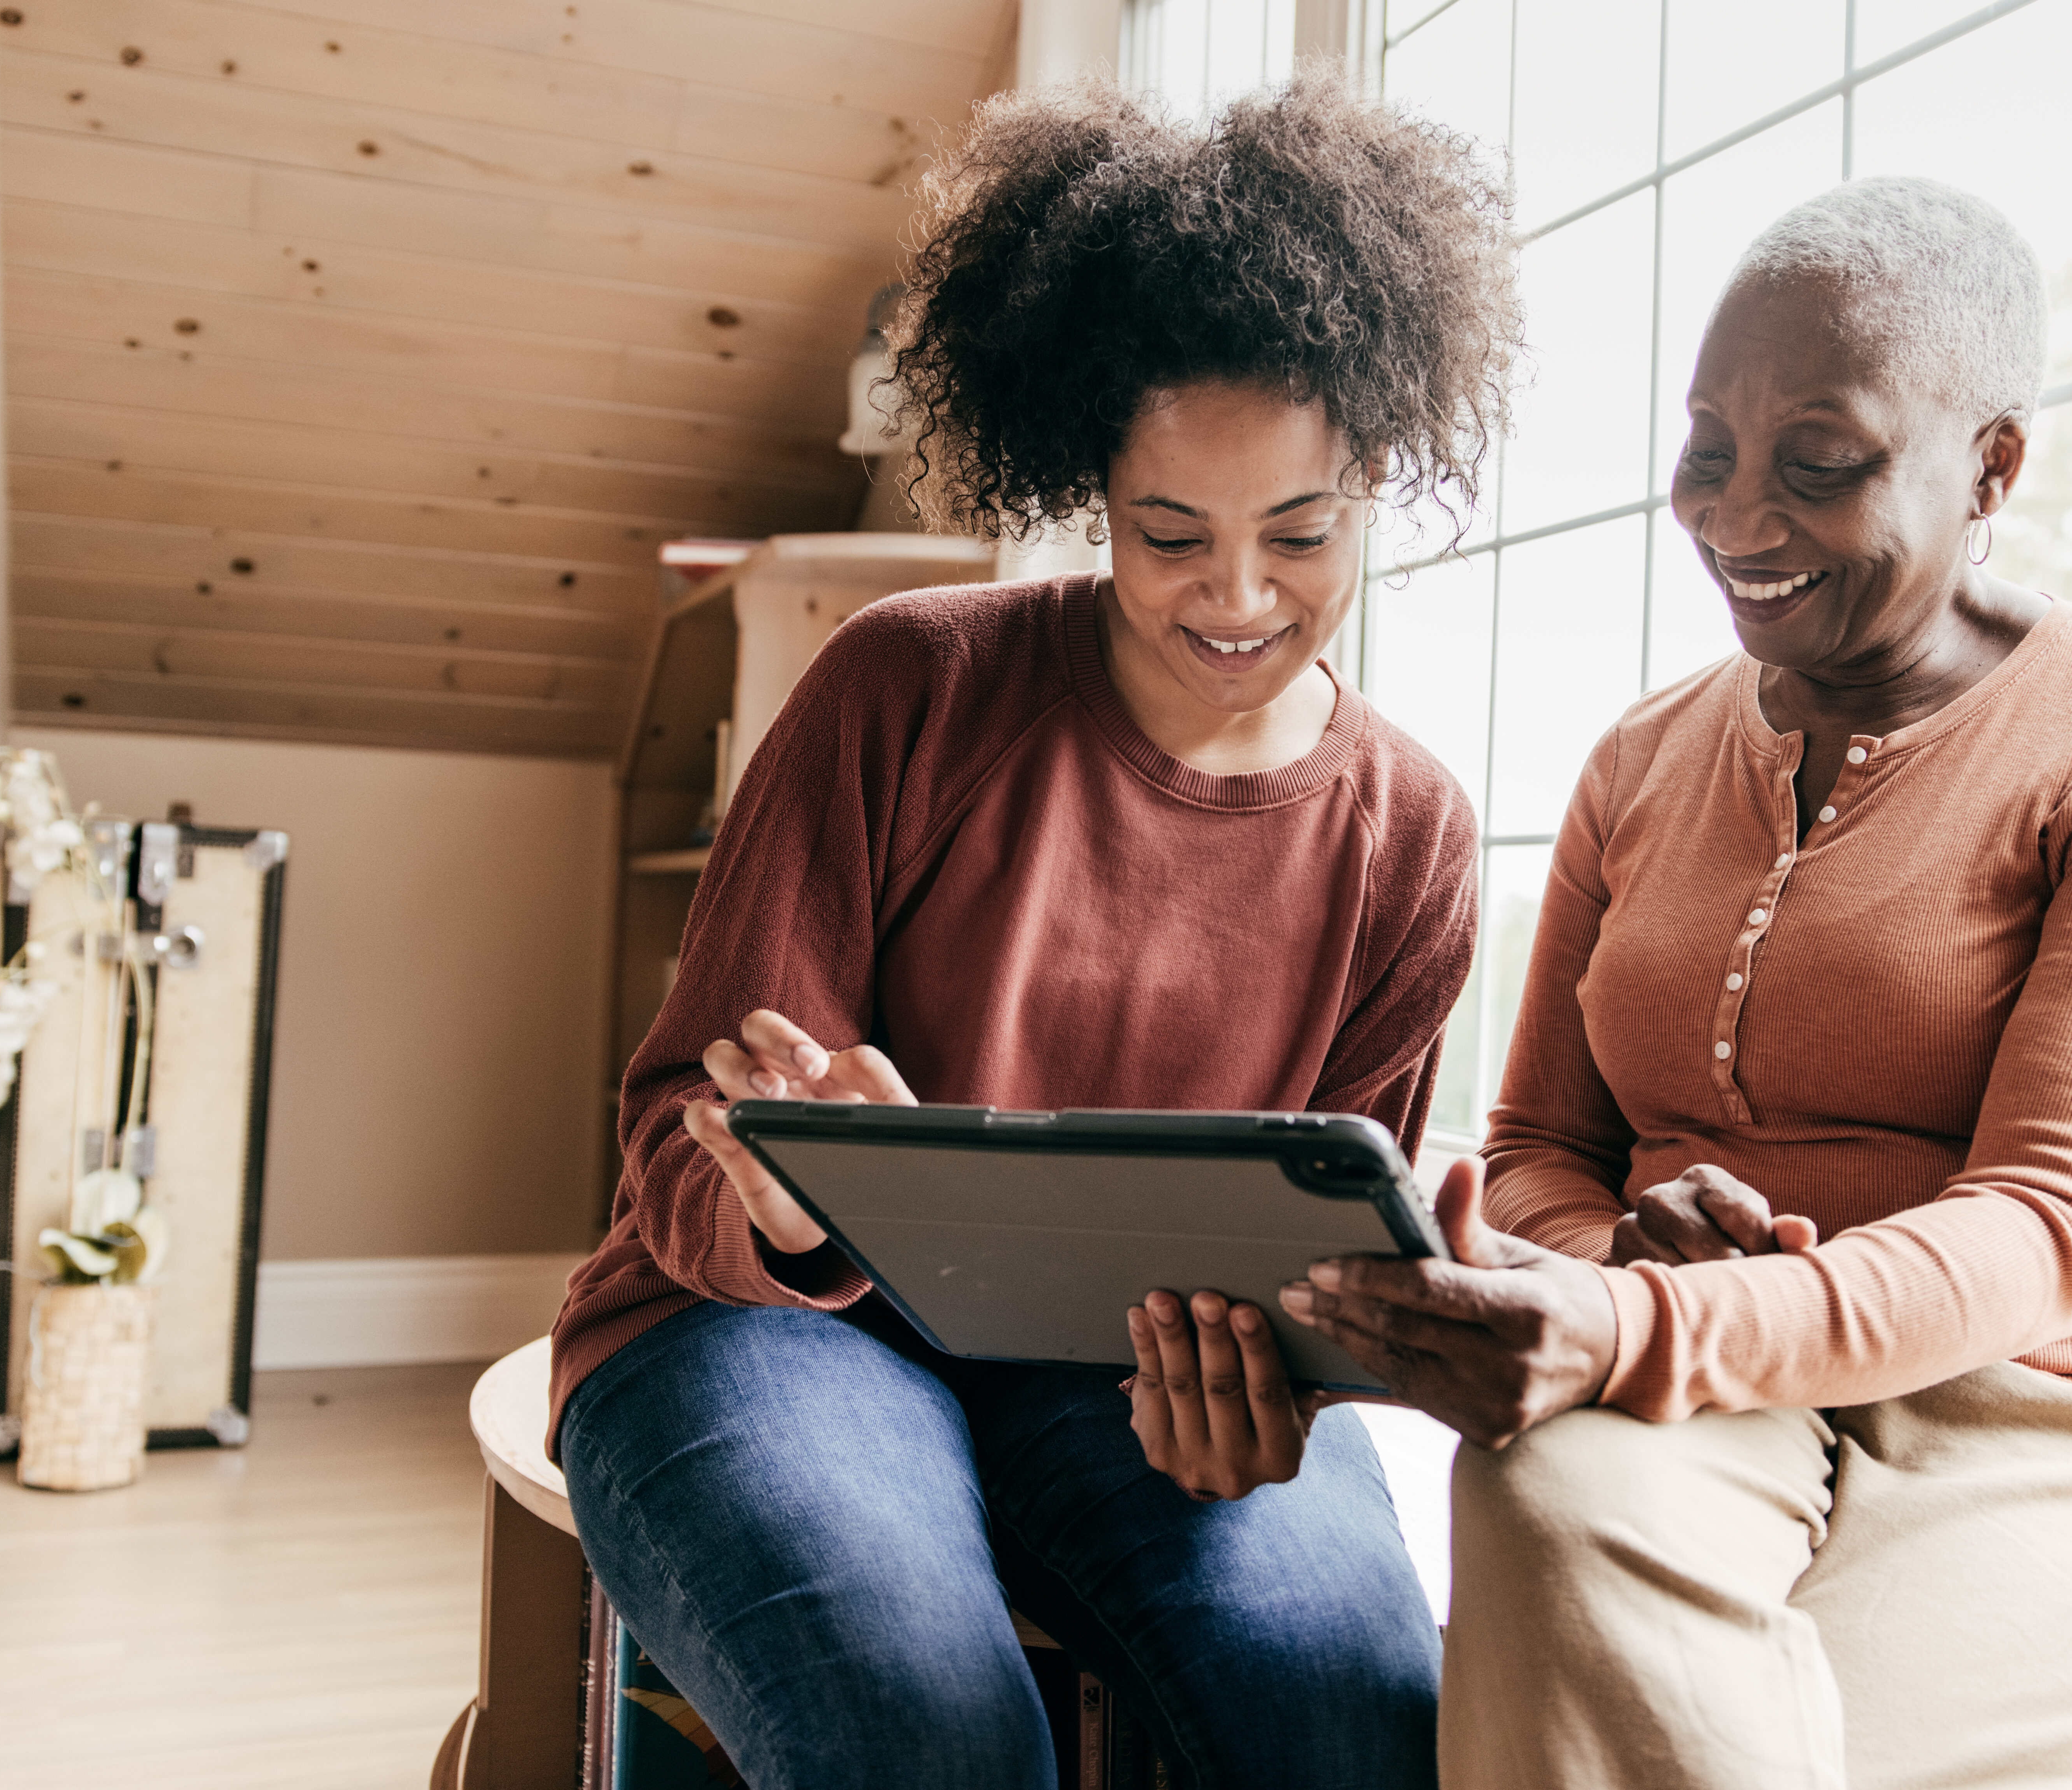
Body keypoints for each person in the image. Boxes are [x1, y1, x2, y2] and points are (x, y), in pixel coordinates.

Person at [1283, 176, 2072, 1790]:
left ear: (1991, 465)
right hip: (1727, 1392)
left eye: (1818, 465)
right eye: (1707, 450)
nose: (1734, 517)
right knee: (1532, 1497)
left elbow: (2050, 1221)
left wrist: (1644, 1315)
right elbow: (1542, 1145)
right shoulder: (1637, 758)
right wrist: (1618, 1254)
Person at [542, 76, 1519, 1790]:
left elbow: (1330, 1251)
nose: (1234, 596)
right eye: (1169, 534)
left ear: (1372, 480)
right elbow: (666, 1149)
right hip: (771, 1334)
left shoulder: (1410, 830)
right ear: (1087, 484)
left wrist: (1285, 1377)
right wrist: (775, 1198)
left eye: (1298, 534)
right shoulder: (908, 683)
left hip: (1131, 1378)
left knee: (1351, 1712)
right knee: (923, 1726)